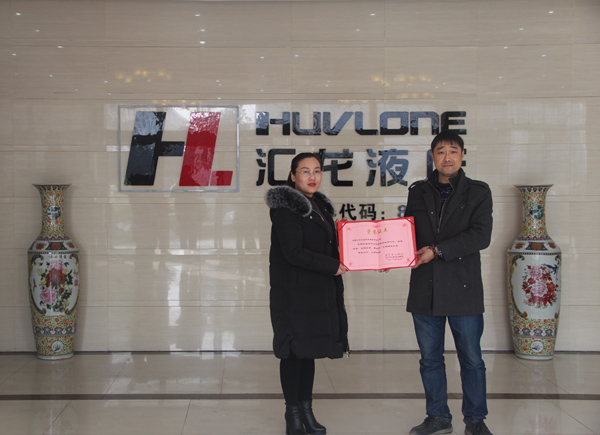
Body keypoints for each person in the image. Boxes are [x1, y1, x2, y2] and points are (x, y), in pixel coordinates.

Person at [404, 131, 494, 435]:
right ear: (432, 157)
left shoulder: (478, 192)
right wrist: (388, 254)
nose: (447, 157)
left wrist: (438, 250)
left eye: (453, 151)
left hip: (463, 288)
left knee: (472, 359)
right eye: (441, 151)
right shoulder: (418, 191)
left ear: (463, 155)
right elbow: (407, 232)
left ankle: (476, 420)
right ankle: (438, 417)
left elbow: (481, 236)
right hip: (425, 288)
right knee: (430, 359)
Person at [265, 152, 350, 435]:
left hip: (314, 295)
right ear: (293, 176)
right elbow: (293, 252)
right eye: (305, 171)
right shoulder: (287, 208)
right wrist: (332, 266)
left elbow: (325, 247)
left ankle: (306, 411)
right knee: (293, 353)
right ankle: (292, 415)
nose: (312, 177)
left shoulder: (319, 206)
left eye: (317, 171)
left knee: (308, 352)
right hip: (293, 296)